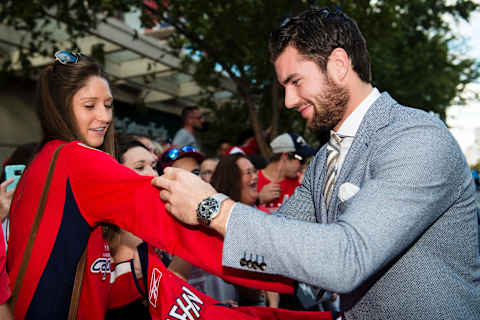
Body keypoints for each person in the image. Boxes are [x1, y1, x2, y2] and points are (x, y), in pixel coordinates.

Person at [154, 7, 480, 320]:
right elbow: (279, 234)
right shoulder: (325, 157)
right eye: (284, 87)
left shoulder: (417, 138)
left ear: (338, 64)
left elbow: (347, 258)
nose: (289, 101)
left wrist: (213, 208)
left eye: (295, 82)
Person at [7, 51, 292, 320]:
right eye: (89, 105)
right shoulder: (76, 160)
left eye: (108, 105)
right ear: (60, 109)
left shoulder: (43, 162)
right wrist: (288, 260)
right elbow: (178, 224)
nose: (105, 117)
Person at [210, 154, 278, 308]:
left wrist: (273, 308)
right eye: (248, 173)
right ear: (232, 180)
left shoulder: (258, 215)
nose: (255, 177)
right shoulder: (217, 220)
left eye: (254, 171)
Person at [258, 133, 316, 212]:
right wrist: (258, 199)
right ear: (285, 156)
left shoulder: (301, 184)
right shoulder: (252, 180)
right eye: (302, 160)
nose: (304, 165)